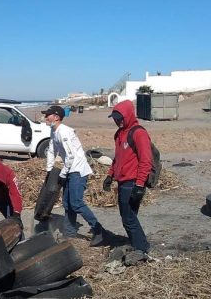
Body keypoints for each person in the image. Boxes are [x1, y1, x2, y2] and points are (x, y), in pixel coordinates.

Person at [42, 105, 106, 245]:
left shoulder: (65, 132)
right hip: (69, 170)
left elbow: (70, 156)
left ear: (57, 117)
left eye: (48, 115)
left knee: (76, 203)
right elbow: (52, 151)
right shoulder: (54, 131)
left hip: (77, 170)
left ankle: (98, 230)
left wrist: (63, 173)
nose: (46, 117)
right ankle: (70, 233)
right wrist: (49, 170)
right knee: (67, 203)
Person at [103, 100, 152, 254]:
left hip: (132, 182)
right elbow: (118, 158)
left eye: (120, 118)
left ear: (128, 115)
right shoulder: (119, 134)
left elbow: (146, 160)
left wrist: (139, 185)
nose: (117, 121)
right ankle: (137, 243)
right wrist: (110, 175)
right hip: (122, 181)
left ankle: (141, 248)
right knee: (130, 217)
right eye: (115, 119)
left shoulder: (138, 133)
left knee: (128, 218)